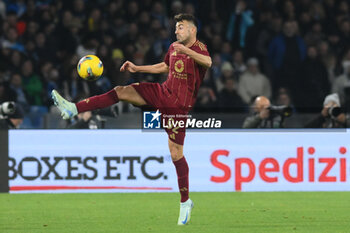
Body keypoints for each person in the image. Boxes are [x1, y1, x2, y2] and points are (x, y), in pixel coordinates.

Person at [51, 13, 212, 225]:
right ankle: (74, 108)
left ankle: (185, 202)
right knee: (121, 90)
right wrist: (138, 68)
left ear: (192, 30)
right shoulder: (174, 47)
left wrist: (188, 51)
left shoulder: (200, 49)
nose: (176, 31)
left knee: (175, 154)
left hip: (178, 108)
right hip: (162, 92)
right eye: (176, 27)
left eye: (181, 27)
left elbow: (208, 62)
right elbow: (165, 67)